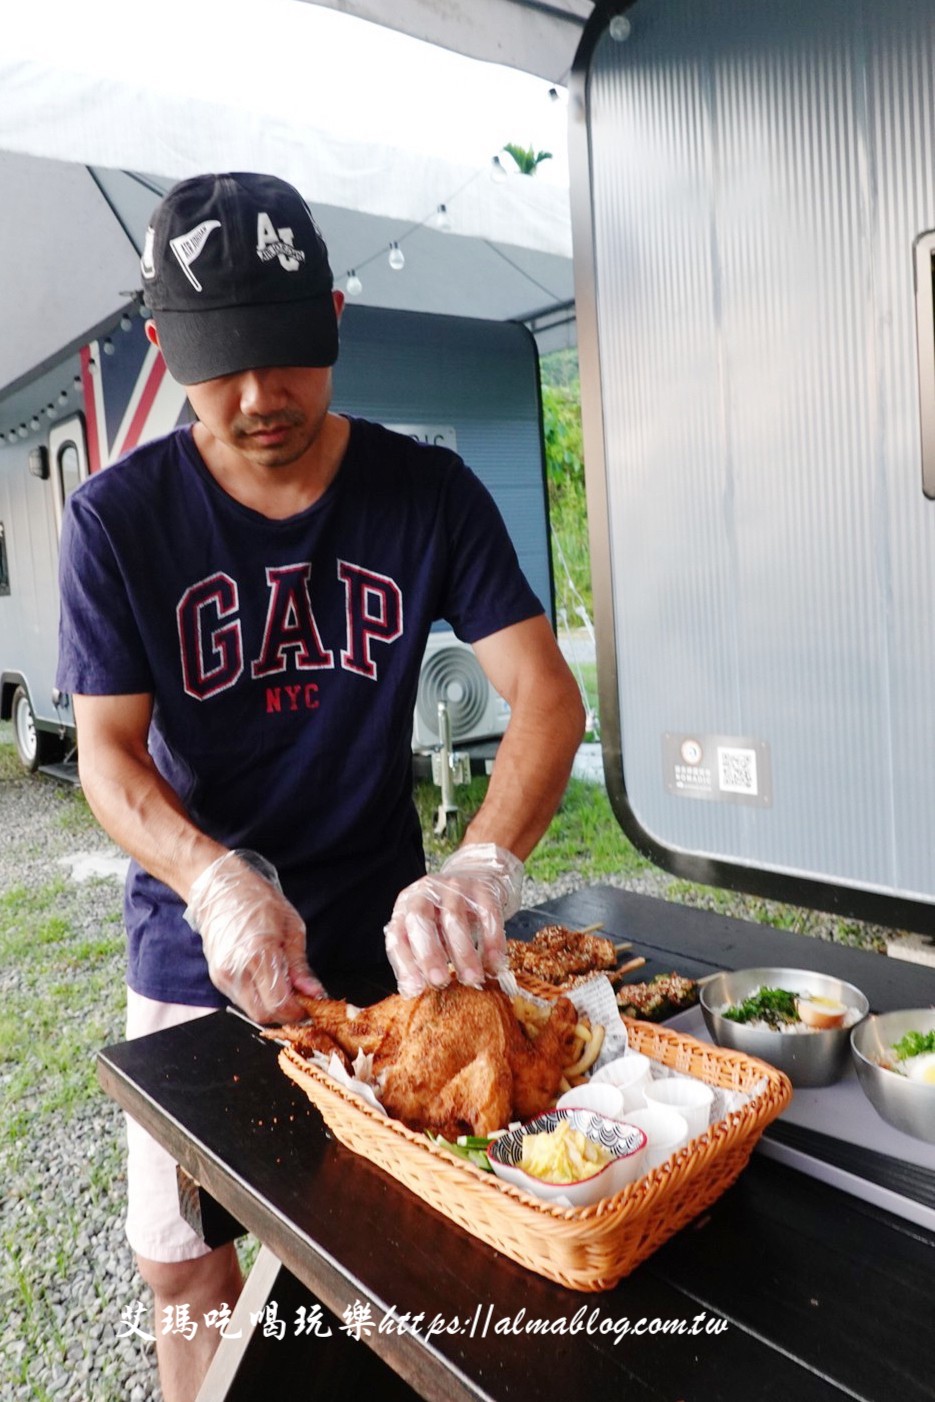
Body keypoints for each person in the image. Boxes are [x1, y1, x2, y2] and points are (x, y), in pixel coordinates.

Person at [56, 171, 585, 1401]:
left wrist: (481, 865)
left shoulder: (424, 492)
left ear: (336, 318)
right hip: (199, 955)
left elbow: (545, 699)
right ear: (162, 348)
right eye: (222, 365)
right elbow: (109, 754)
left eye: (288, 357)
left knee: (395, 1253)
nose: (258, 399)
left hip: (389, 951)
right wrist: (211, 877)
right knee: (183, 1265)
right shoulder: (116, 521)